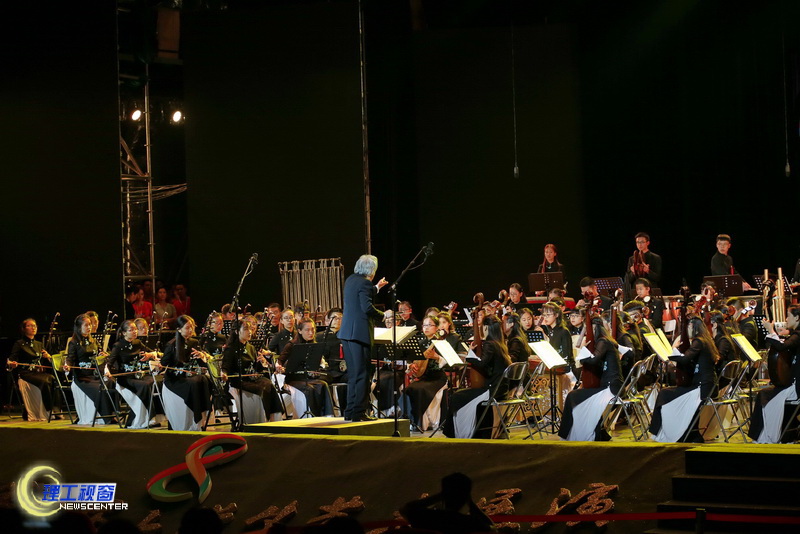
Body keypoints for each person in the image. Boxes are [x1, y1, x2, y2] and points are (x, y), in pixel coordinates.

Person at [649, 316, 719, 442]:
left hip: (702, 387)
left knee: (664, 393)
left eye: (688, 327)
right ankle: (687, 432)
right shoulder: (706, 340)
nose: (687, 330)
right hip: (708, 385)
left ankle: (662, 432)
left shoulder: (699, 341)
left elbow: (685, 359)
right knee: (668, 392)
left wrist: (673, 350)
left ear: (693, 327)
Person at [442, 315, 512, 438]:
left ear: (486, 328)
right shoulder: (501, 345)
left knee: (456, 396)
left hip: (492, 391)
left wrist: (470, 354)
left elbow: (481, 363)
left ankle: (452, 432)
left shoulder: (490, 344)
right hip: (501, 390)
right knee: (461, 395)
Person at [558, 316, 622, 441]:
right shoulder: (607, 341)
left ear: (595, 328)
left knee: (572, 396)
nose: (587, 333)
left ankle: (567, 435)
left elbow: (593, 360)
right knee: (576, 396)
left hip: (610, 388)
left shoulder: (603, 341)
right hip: (613, 385)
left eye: (588, 330)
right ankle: (590, 432)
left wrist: (583, 351)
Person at [339, 255, 386, 422]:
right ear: (372, 270)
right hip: (359, 334)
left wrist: (376, 287)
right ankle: (359, 413)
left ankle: (350, 411)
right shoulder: (365, 283)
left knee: (354, 374)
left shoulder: (351, 280)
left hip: (347, 333)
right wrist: (384, 315)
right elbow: (367, 307)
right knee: (363, 375)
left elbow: (361, 294)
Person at [748, 307, 800, 443]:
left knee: (763, 394)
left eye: (788, 316)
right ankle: (787, 434)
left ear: (797, 318)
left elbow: (782, 347)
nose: (786, 319)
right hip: (794, 383)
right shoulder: (796, 334)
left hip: (796, 387)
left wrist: (771, 330)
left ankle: (762, 436)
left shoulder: (798, 335)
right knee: (766, 393)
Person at [222, 318, 283, 422]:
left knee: (269, 384)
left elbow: (256, 368)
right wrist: (224, 373)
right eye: (246, 329)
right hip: (238, 380)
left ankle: (274, 419)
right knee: (261, 388)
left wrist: (262, 362)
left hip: (251, 378)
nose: (250, 332)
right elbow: (225, 366)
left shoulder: (251, 347)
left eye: (250, 329)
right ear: (237, 331)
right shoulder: (230, 348)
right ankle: (262, 420)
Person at [159, 315, 212, 430]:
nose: (191, 330)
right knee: (193, 383)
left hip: (189, 377)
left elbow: (202, 364)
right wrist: (157, 366)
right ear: (179, 329)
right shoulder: (172, 345)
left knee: (204, 379)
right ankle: (193, 421)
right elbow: (163, 365)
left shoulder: (194, 342)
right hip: (174, 380)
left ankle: (203, 419)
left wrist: (202, 356)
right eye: (187, 327)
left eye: (192, 327)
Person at [400, 472, 494, 534]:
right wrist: (471, 504)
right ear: (466, 496)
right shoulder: (469, 522)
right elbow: (492, 528)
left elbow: (406, 509)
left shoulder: (428, 517)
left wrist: (440, 495)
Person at [105, 319, 158, 428]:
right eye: (131, 330)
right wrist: (107, 371)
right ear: (124, 333)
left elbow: (151, 352)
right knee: (144, 385)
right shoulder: (118, 345)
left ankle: (154, 417)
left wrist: (151, 354)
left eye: (135, 329)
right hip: (125, 378)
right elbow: (110, 362)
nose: (135, 332)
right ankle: (144, 419)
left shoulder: (137, 342)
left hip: (137, 376)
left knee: (154, 382)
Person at [65, 314, 116, 424]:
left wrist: (104, 355)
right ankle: (105, 417)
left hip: (95, 374)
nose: (89, 327)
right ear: (79, 327)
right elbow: (70, 358)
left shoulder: (94, 341)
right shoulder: (73, 342)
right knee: (99, 387)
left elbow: (101, 353)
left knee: (112, 382)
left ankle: (112, 414)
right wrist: (67, 365)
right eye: (86, 325)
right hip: (83, 377)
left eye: (90, 325)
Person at [404, 315, 451, 430]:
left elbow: (451, 363)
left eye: (430, 325)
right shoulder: (420, 343)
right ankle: (412, 420)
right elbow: (412, 361)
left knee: (420, 389)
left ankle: (422, 423)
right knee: (410, 389)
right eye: (424, 325)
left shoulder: (442, 343)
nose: (426, 327)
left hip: (438, 379)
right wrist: (412, 366)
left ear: (437, 328)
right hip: (424, 378)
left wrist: (437, 357)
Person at [278, 318, 332, 417]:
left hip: (308, 377)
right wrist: (279, 367)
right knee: (309, 388)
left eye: (313, 329)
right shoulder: (291, 345)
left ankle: (326, 415)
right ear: (299, 331)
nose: (311, 333)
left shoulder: (315, 345)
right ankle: (312, 416)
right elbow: (280, 361)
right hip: (294, 379)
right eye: (307, 330)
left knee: (323, 384)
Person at [7, 318, 53, 421]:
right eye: (30, 326)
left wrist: (48, 356)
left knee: (52, 378)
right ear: (24, 329)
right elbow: (12, 360)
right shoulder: (19, 343)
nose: (33, 328)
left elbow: (45, 362)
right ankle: (47, 411)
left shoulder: (39, 344)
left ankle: (55, 410)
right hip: (25, 373)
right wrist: (13, 364)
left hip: (37, 373)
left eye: (34, 326)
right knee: (44, 381)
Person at [537, 302, 578, 408]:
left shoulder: (563, 331)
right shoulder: (551, 331)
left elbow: (567, 354)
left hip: (565, 372)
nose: (545, 317)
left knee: (562, 401)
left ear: (556, 315)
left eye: (548, 315)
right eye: (544, 315)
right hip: (554, 368)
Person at [624, 233, 662, 299]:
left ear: (648, 243)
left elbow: (658, 278)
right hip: (636, 291)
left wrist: (648, 271)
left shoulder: (655, 258)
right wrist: (633, 272)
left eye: (642, 242)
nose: (640, 244)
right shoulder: (632, 259)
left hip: (650, 290)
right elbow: (628, 280)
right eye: (637, 242)